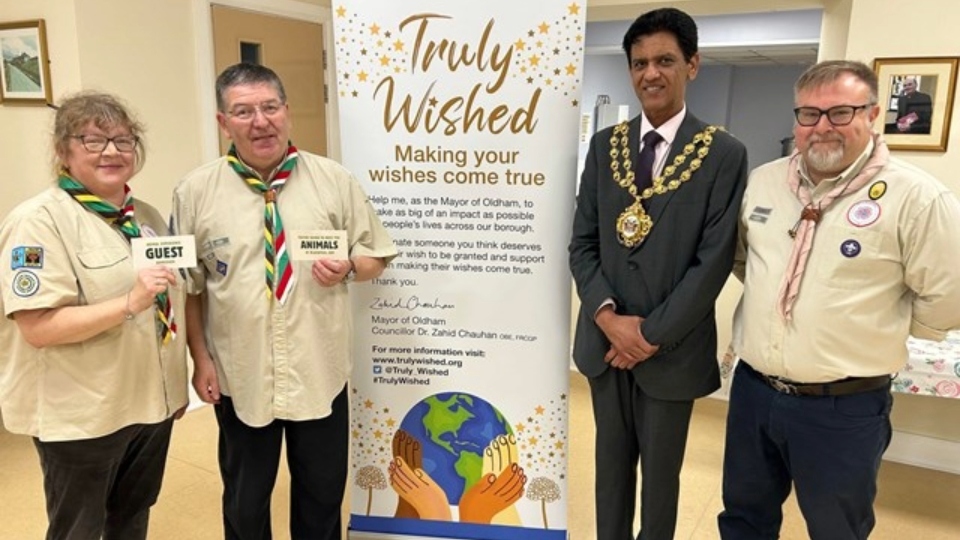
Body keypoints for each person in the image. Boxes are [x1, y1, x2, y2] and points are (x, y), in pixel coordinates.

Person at [719, 60, 960, 539]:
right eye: (809, 114)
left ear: (872, 116)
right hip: (753, 392)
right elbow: (746, 261)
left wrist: (873, 330)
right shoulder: (764, 182)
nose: (822, 127)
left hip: (842, 407)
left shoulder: (916, 198)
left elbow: (947, 296)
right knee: (744, 519)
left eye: (840, 112)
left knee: (836, 529)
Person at [171, 62, 397, 540]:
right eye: (244, 111)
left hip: (318, 368)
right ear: (223, 122)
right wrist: (200, 358)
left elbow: (375, 253)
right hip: (241, 372)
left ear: (287, 112)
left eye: (270, 107)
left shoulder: (333, 181)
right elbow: (191, 287)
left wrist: (351, 267)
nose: (260, 121)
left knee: (320, 496)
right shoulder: (195, 192)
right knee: (245, 499)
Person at [568, 8, 748, 540]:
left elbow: (712, 262)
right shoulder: (606, 147)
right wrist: (608, 318)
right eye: (640, 62)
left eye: (665, 60)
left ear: (692, 65)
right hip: (605, 348)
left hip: (670, 352)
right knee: (609, 474)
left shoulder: (722, 154)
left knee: (662, 482)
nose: (652, 73)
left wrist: (646, 334)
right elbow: (582, 244)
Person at [0, 91, 188, 540]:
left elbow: (171, 303)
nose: (111, 152)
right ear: (64, 150)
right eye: (93, 140)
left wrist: (173, 387)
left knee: (132, 517)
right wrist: (128, 303)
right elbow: (38, 328)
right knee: (79, 529)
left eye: (123, 141)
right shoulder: (38, 221)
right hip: (83, 416)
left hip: (148, 406)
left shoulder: (145, 217)